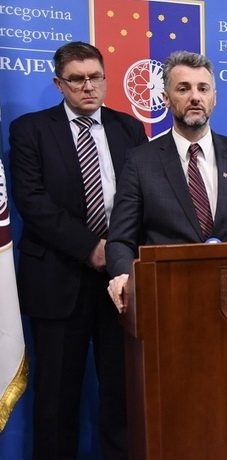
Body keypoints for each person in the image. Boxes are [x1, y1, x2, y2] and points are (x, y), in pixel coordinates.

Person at [9, 41, 148, 459]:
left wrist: (117, 252)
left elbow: (142, 197)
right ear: (59, 84)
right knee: (56, 397)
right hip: (57, 277)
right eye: (76, 80)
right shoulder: (30, 130)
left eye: (95, 77)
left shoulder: (129, 128)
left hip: (119, 279)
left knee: (122, 394)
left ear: (105, 78)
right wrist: (91, 248)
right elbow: (32, 201)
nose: (88, 87)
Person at [106, 51, 227, 310]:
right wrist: (124, 276)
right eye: (183, 89)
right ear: (166, 98)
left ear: (214, 98)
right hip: (167, 299)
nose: (195, 97)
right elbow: (121, 240)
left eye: (203, 88)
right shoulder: (140, 161)